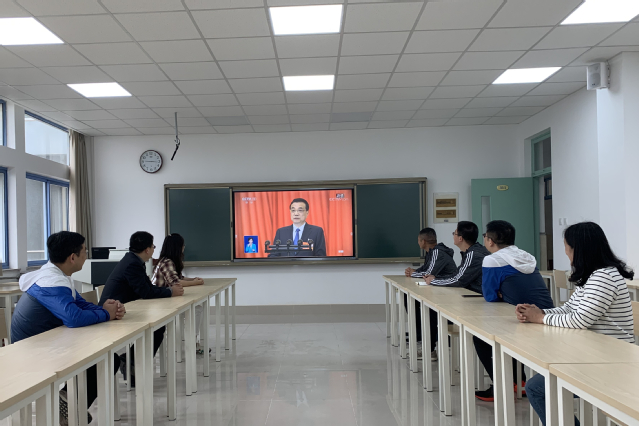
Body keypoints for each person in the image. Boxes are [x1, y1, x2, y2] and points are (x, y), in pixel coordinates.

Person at [517, 222, 634, 426]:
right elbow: (570, 309)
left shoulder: (603, 277)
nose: (565, 252)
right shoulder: (593, 275)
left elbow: (580, 320)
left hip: (610, 361)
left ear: (578, 249)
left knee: (536, 388)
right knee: (541, 383)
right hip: (593, 354)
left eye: (566, 246)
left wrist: (540, 318)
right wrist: (540, 312)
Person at [11, 231, 126, 426]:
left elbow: (79, 304)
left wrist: (107, 309)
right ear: (73, 257)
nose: (86, 256)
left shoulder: (56, 276)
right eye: (85, 251)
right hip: (32, 353)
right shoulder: (51, 282)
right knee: (105, 359)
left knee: (104, 357)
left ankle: (68, 404)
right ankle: (70, 407)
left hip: (44, 344)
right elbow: (74, 318)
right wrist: (107, 314)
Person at [473, 220, 554, 401]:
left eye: (485, 236)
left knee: (481, 337)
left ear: (490, 240)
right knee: (508, 331)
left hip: (527, 318)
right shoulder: (526, 256)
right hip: (548, 315)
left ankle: (505, 384)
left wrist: (501, 294)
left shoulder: (492, 259)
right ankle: (519, 381)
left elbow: (490, 296)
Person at [99, 231, 184, 386]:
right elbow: (146, 292)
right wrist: (170, 291)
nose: (153, 250)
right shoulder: (132, 264)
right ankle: (131, 363)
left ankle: (130, 362)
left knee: (157, 327)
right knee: (156, 328)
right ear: (147, 249)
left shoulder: (133, 260)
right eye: (153, 247)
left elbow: (147, 288)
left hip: (126, 309)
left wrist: (168, 291)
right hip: (114, 313)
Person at [403, 227, 457, 360]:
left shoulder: (437, 252)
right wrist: (414, 271)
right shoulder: (431, 253)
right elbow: (424, 269)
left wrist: (413, 273)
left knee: (424, 309)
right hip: (440, 289)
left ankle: (428, 346)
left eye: (418, 240)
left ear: (423, 241)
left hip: (447, 294)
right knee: (409, 298)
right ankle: (423, 338)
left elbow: (428, 273)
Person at [152, 233, 206, 353]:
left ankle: (191, 341)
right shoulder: (167, 262)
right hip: (161, 301)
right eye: (182, 245)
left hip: (165, 297)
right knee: (196, 308)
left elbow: (179, 277)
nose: (184, 247)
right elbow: (176, 283)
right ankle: (192, 342)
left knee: (195, 308)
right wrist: (195, 283)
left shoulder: (167, 260)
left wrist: (193, 279)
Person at [423, 221, 490, 293]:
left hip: (478, 296)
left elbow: (458, 280)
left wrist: (432, 281)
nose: (453, 236)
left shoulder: (473, 254)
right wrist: (436, 278)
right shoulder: (473, 252)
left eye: (454, 233)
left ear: (460, 238)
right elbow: (456, 275)